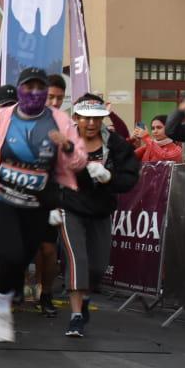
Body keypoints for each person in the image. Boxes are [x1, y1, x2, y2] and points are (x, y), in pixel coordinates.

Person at [0, 67, 86, 343]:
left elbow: (79, 163)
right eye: (29, 88)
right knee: (12, 253)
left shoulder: (60, 121)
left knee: (24, 257)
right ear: (19, 90)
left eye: (41, 89)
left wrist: (68, 148)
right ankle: (1, 309)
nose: (35, 94)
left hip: (37, 202)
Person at [56, 93, 140, 338]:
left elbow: (131, 177)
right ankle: (76, 316)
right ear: (76, 117)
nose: (91, 124)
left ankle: (86, 297)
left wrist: (109, 177)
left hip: (101, 210)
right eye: (86, 118)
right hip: (69, 207)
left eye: (96, 118)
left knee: (97, 267)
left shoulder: (115, 144)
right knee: (77, 259)